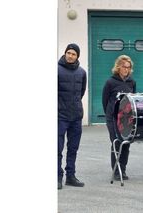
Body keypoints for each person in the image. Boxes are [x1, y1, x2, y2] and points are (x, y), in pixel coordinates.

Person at [102, 55, 136, 181]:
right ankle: (116, 171)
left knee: (126, 144)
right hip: (112, 118)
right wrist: (110, 115)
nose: (126, 70)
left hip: (126, 119)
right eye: (124, 67)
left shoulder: (132, 82)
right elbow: (105, 101)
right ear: (118, 67)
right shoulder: (110, 82)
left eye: (128, 67)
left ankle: (123, 169)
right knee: (116, 143)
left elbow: (132, 101)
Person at [58, 43, 87, 190]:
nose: (70, 55)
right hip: (59, 116)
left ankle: (70, 176)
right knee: (57, 148)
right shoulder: (56, 70)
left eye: (73, 54)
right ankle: (57, 177)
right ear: (65, 53)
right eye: (68, 53)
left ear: (77, 56)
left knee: (73, 148)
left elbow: (81, 92)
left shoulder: (81, 72)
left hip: (76, 116)